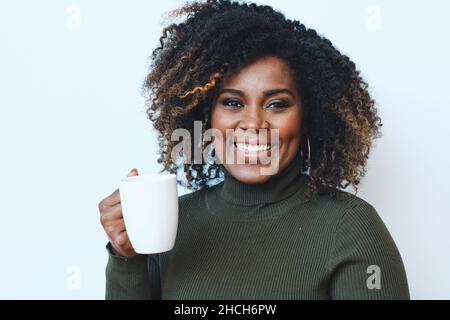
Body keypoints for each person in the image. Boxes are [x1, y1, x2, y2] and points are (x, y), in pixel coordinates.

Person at [98, 0, 409, 299]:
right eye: (233, 102)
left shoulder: (351, 229)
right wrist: (127, 258)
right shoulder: (172, 227)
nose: (252, 123)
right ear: (207, 117)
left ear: (309, 118)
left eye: (276, 104)